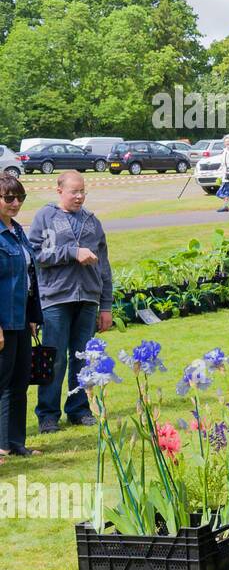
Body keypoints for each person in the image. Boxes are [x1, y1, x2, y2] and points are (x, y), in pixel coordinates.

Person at [28, 171, 112, 435]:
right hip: (55, 298)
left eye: (82, 191)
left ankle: (79, 409)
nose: (79, 196)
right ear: (59, 191)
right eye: (74, 191)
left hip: (87, 298)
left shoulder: (92, 222)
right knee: (54, 359)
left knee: (83, 358)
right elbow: (35, 255)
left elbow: (105, 267)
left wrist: (106, 305)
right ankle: (48, 414)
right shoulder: (46, 217)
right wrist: (72, 253)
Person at [0, 175, 41, 460]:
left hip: (21, 318)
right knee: (2, 384)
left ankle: (16, 442)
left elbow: (29, 275)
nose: (16, 203)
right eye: (9, 198)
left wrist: (33, 315)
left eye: (20, 198)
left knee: (20, 382)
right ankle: (1, 445)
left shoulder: (17, 231)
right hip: (3, 321)